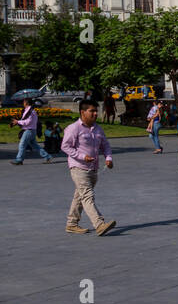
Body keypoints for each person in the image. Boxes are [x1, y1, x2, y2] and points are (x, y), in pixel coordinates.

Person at [62, 100, 116, 236]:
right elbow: (65, 146)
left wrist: (108, 158)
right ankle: (99, 224)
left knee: (80, 196)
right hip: (78, 167)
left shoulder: (98, 128)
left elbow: (106, 146)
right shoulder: (74, 128)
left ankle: (72, 224)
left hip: (93, 169)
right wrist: (81, 156)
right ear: (82, 112)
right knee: (87, 196)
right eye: (92, 111)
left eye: (96, 111)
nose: (95, 113)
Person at [13, 100, 53, 165]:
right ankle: (47, 156)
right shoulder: (28, 111)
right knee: (35, 146)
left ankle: (19, 159)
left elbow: (28, 121)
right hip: (31, 130)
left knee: (22, 144)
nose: (23, 103)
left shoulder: (31, 111)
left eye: (23, 102)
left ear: (26, 102)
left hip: (29, 130)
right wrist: (18, 122)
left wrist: (18, 122)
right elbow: (26, 120)